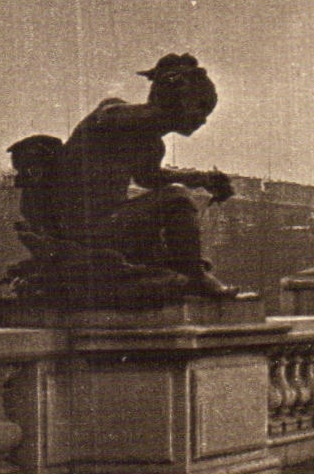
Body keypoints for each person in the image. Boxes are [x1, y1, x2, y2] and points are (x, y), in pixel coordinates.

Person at [30, 53, 239, 298]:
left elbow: (147, 178)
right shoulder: (115, 113)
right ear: (176, 100)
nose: (203, 120)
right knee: (177, 198)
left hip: (108, 221)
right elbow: (110, 118)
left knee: (174, 198)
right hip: (84, 226)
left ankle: (182, 272)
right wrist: (160, 110)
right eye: (201, 107)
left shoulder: (151, 143)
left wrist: (200, 178)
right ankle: (192, 276)